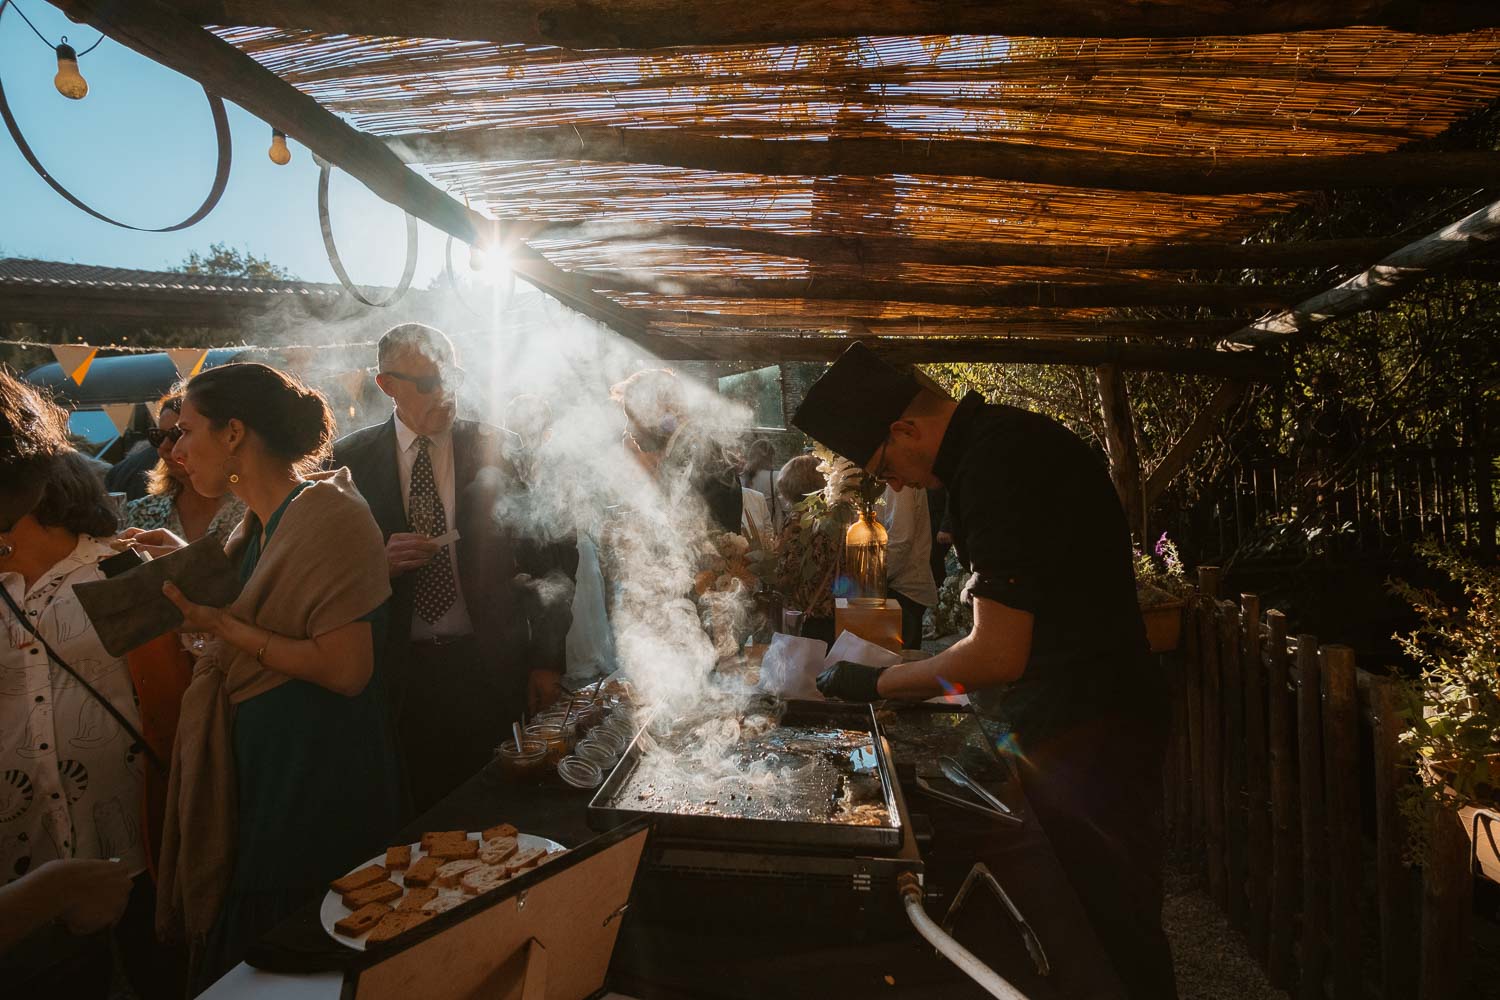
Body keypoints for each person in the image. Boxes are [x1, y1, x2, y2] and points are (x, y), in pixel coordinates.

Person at [796, 344, 1174, 1000]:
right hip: (1082, 718)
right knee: (1095, 918)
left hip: (1091, 731)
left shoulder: (996, 465)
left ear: (906, 430)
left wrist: (879, 682)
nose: (897, 486)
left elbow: (999, 654)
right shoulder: (1005, 442)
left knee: (1109, 924)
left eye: (886, 468)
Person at [128, 363, 398, 988]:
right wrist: (185, 567)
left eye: (187, 430)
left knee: (308, 962)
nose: (174, 447)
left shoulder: (328, 515)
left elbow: (347, 669)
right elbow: (249, 602)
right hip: (263, 769)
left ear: (234, 434)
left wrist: (225, 628)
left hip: (314, 778)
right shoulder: (252, 525)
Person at [333, 325, 577, 816]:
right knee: (421, 816)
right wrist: (376, 564)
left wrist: (547, 660)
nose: (445, 392)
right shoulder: (349, 460)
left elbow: (554, 556)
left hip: (489, 663)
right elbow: (329, 571)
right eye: (427, 382)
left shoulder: (501, 448)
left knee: (506, 811)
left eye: (453, 376)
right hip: (400, 675)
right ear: (387, 386)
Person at [0, 424, 165, 996]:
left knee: (152, 976)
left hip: (133, 841)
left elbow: (182, 690)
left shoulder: (123, 568)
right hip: (20, 856)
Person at [611, 368, 743, 534]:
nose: (627, 429)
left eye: (632, 417)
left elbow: (706, 538)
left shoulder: (702, 455)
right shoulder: (681, 453)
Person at [126, 393, 246, 545]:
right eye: (158, 436)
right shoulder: (141, 512)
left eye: (179, 434)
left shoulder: (252, 508)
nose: (164, 447)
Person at [880, 483, 937, 649]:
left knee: (899, 663)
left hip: (904, 589)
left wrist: (871, 579)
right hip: (896, 585)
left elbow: (901, 540)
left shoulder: (899, 484)